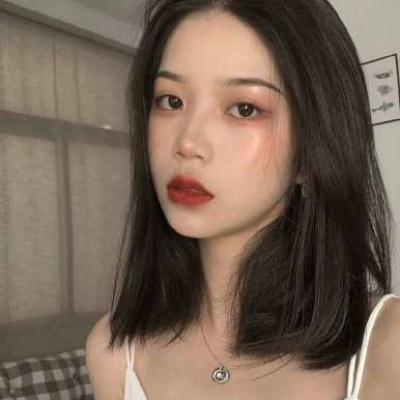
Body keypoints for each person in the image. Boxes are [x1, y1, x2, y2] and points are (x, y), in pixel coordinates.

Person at [85, 0, 400, 399]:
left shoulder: (387, 345)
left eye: (245, 109)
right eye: (171, 101)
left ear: (311, 151)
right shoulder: (114, 351)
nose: (187, 142)